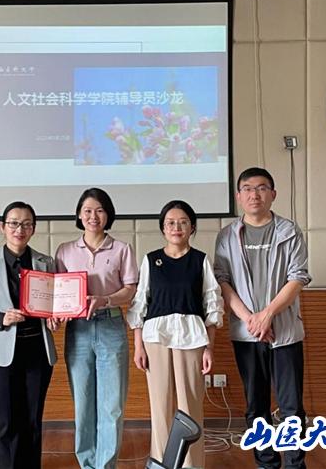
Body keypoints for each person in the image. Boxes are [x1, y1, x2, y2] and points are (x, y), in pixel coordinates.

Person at [214, 167, 311, 469]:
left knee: (291, 406)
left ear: (273, 194)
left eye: (261, 188)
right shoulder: (227, 236)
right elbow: (222, 280)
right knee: (256, 406)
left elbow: (298, 276)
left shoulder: (289, 231)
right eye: (247, 188)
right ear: (238, 196)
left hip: (284, 332)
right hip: (247, 334)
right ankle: (266, 463)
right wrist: (251, 320)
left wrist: (267, 315)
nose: (254, 194)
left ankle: (295, 465)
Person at [127, 200, 224, 468]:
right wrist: (138, 347)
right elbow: (139, 304)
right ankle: (161, 462)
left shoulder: (200, 260)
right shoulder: (151, 260)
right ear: (163, 228)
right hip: (155, 338)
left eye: (183, 222)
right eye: (170, 222)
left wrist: (209, 347)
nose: (176, 227)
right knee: (160, 406)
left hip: (192, 338)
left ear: (192, 227)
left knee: (190, 406)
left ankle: (192, 464)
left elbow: (212, 304)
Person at [55, 187, 138, 469]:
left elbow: (130, 290)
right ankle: (87, 463)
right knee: (83, 402)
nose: (93, 216)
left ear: (108, 215)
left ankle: (106, 465)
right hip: (77, 330)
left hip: (111, 326)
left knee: (112, 405)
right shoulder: (65, 250)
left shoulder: (122, 249)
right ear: (79, 215)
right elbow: (58, 292)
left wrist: (105, 299)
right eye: (88, 210)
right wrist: (56, 313)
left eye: (100, 210)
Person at [0, 201, 57, 469]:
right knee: (8, 420)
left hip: (37, 350)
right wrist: (1, 318)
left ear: (33, 229)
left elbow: (56, 302)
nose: (20, 229)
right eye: (14, 223)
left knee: (32, 419)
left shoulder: (46, 262)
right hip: (2, 350)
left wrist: (55, 315)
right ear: (3, 227)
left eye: (26, 224)